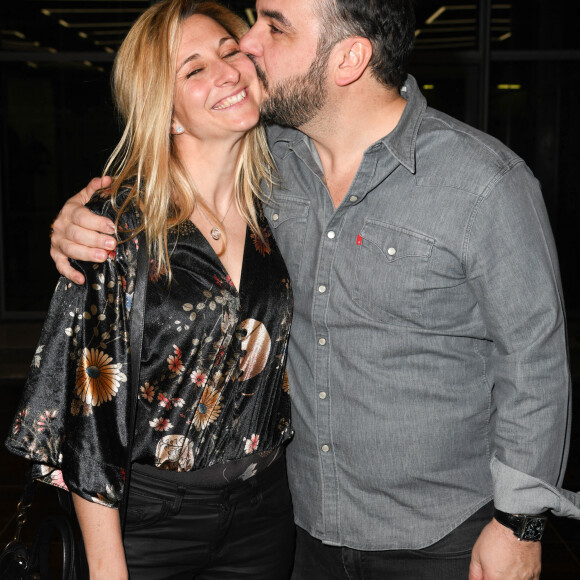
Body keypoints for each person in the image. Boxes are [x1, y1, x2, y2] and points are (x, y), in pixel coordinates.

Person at [49, 0, 580, 579]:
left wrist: (520, 524)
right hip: (299, 530)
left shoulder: (485, 184)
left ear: (348, 58)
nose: (249, 42)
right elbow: (167, 190)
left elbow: (535, 360)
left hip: (441, 536)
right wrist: (78, 222)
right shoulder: (269, 162)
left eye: (274, 27)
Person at [5, 1, 296, 579]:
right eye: (193, 70)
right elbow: (89, 418)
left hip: (266, 511)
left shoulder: (286, 204)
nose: (228, 72)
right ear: (166, 113)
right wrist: (107, 566)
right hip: (148, 521)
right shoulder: (119, 225)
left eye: (229, 50)